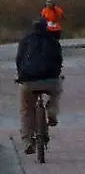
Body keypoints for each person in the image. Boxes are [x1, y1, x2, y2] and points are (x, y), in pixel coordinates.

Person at [15, 19, 63, 156]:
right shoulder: (53, 41)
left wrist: (21, 76)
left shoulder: (25, 41)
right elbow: (59, 60)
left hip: (28, 81)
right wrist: (56, 75)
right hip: (50, 80)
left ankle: (28, 141)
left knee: (26, 109)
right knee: (56, 92)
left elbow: (19, 59)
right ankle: (52, 112)